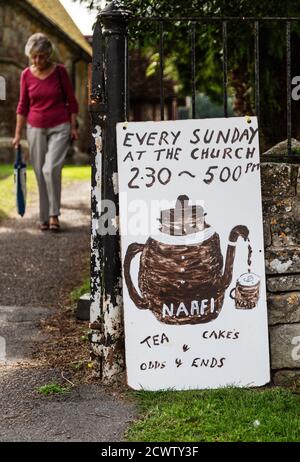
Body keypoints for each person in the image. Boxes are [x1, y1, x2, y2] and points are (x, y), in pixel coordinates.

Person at [12, 33, 79, 232]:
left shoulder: (60, 71)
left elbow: (71, 100)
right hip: (35, 127)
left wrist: (73, 126)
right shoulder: (26, 74)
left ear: (48, 54)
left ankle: (53, 214)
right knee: (40, 172)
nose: (37, 60)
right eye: (34, 56)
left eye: (41, 56)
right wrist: (17, 134)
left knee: (50, 169)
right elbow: (23, 105)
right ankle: (43, 216)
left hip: (60, 126)